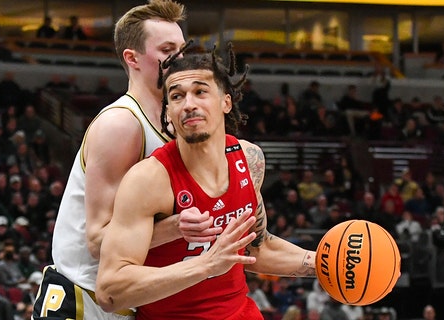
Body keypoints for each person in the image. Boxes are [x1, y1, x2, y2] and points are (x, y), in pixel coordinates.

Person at [96, 44, 317, 319]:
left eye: (200, 92)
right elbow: (109, 290)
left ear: (226, 102)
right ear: (168, 112)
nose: (189, 104)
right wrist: (206, 266)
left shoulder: (249, 160)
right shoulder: (148, 180)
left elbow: (257, 248)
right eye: (176, 96)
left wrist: (320, 262)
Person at [33, 1, 217, 319]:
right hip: (84, 299)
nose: (181, 60)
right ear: (132, 59)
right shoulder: (121, 125)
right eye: (167, 50)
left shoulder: (176, 126)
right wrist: (178, 227)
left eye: (182, 49)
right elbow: (97, 240)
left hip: (128, 299)